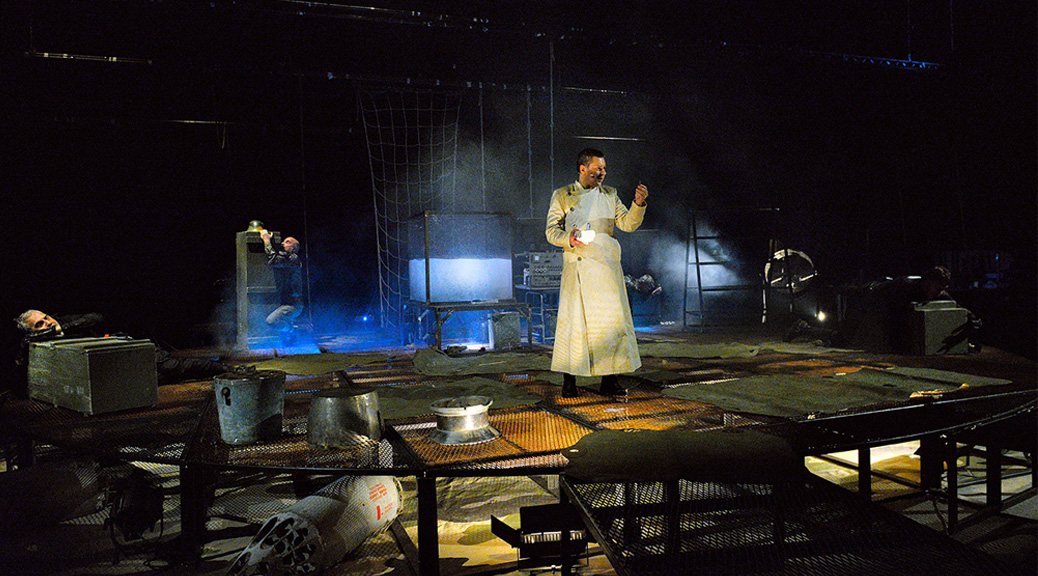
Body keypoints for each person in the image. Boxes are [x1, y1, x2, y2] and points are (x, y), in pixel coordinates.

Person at [546, 148, 649, 397]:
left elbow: (627, 224)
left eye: (604, 168)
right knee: (574, 325)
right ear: (583, 168)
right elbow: (551, 231)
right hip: (579, 267)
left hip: (606, 269)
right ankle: (569, 381)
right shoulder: (563, 195)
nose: (602, 172)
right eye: (597, 168)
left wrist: (638, 204)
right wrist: (568, 239)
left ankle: (609, 380)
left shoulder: (610, 194)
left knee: (610, 325)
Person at [12, 310, 229, 393]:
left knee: (172, 367)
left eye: (46, 318)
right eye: (39, 324)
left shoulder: (63, 322)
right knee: (158, 378)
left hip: (125, 352)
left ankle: (223, 369)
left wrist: (59, 328)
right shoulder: (36, 346)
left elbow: (96, 318)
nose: (47, 323)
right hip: (108, 375)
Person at [259, 229, 304, 344]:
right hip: (286, 303)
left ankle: (292, 330)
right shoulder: (287, 258)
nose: (283, 243)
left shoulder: (293, 259)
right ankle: (290, 336)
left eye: (287, 242)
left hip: (293, 305)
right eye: (283, 241)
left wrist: (266, 240)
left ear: (294, 249)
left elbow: (273, 260)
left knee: (271, 321)